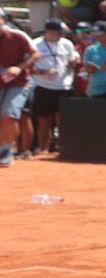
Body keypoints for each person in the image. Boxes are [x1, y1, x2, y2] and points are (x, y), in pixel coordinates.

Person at [24, 20, 79, 158]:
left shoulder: (67, 44)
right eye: (59, 32)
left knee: (64, 122)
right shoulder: (35, 44)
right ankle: (43, 150)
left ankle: (65, 151)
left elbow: (73, 60)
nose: (61, 35)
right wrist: (43, 72)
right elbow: (26, 67)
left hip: (64, 86)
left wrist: (74, 63)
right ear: (49, 32)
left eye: (62, 33)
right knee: (44, 122)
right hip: (44, 87)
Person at [0, 12, 33, 166]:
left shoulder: (18, 35)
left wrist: (19, 68)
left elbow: (36, 54)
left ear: (3, 21)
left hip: (19, 82)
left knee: (8, 115)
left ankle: (7, 151)